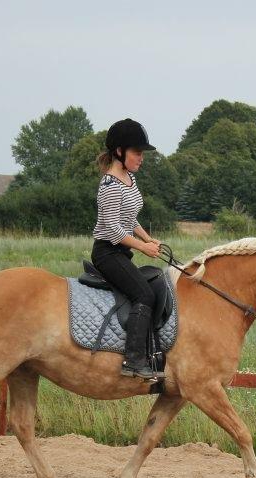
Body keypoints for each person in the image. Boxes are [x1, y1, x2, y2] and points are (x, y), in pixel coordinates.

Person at [91, 118, 165, 380]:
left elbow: (129, 218)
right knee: (144, 294)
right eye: (137, 152)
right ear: (119, 152)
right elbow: (112, 229)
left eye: (142, 153)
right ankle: (133, 361)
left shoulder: (129, 179)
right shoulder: (110, 185)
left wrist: (149, 238)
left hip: (122, 251)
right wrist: (143, 248)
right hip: (107, 252)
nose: (141, 158)